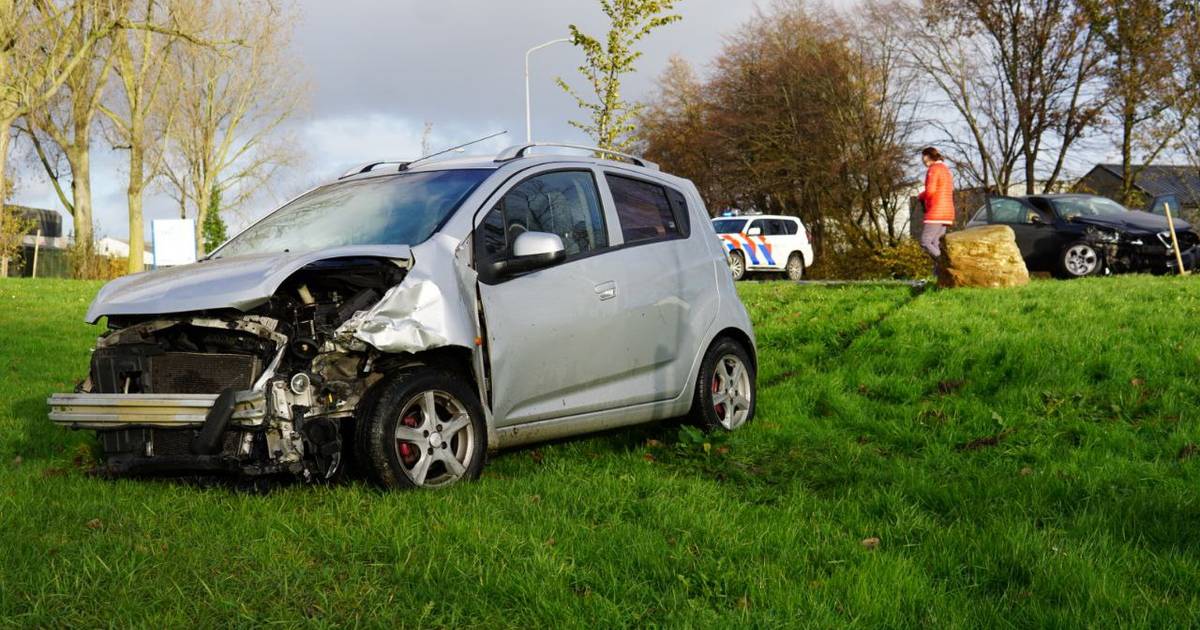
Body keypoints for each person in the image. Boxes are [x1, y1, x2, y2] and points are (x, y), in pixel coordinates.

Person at [916, 147, 955, 275]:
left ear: (928, 156)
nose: (922, 160)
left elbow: (931, 191)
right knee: (936, 243)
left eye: (923, 156)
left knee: (925, 242)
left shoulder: (933, 169)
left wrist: (920, 196)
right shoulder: (946, 170)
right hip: (947, 212)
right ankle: (938, 275)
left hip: (936, 211)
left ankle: (946, 263)